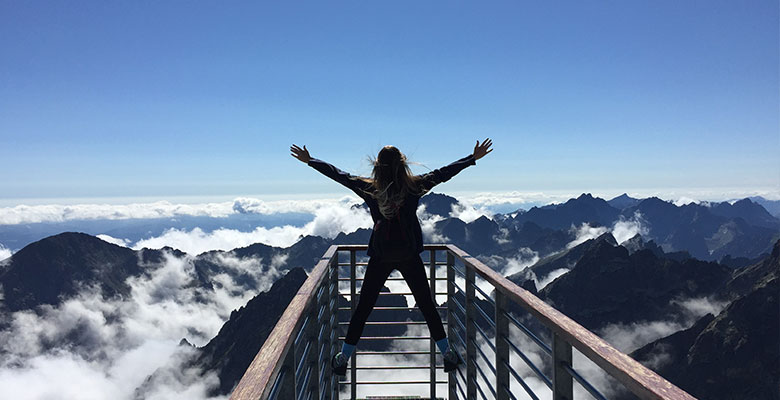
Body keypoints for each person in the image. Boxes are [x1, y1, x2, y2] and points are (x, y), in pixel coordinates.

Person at [290, 139, 493, 376]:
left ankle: (343, 357)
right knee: (427, 305)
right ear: (402, 164)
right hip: (408, 255)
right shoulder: (414, 187)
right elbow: (443, 173)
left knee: (363, 307)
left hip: (381, 255)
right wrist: (472, 158)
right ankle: (447, 352)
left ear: (377, 166)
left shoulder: (369, 188)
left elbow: (340, 176)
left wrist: (311, 161)